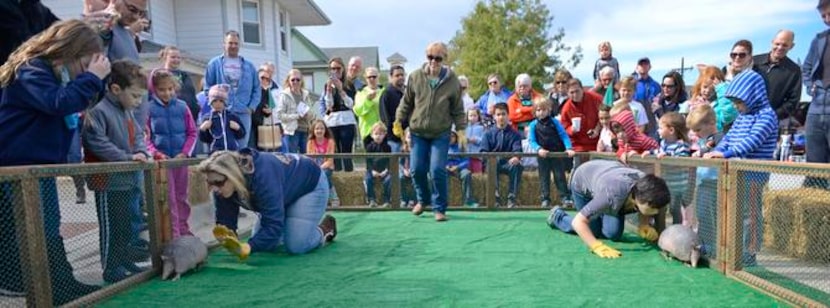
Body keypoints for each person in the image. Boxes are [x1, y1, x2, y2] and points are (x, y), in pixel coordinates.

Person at [0, 19, 107, 303]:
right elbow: (58, 103)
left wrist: (98, 78)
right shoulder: (31, 68)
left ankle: (61, 282)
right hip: (18, 165)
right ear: (71, 50)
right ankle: (20, 283)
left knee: (49, 226)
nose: (86, 71)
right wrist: (92, 77)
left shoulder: (55, 74)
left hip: (38, 164)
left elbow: (80, 99)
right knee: (29, 228)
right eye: (85, 63)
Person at [199, 149, 337, 260]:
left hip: (309, 185)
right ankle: (292, 222)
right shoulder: (224, 182)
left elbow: (273, 226)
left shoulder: (263, 177)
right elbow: (226, 219)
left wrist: (250, 246)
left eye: (218, 183)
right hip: (284, 190)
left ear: (233, 176)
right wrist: (230, 237)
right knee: (267, 243)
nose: (213, 189)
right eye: (209, 183)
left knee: (296, 246)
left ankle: (325, 229)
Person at [83, 60, 150, 283]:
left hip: (128, 181)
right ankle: (110, 267)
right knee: (111, 228)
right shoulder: (99, 111)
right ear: (115, 89)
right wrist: (128, 158)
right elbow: (97, 143)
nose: (138, 102)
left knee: (126, 226)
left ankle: (122, 260)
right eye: (135, 96)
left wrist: (140, 151)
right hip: (108, 183)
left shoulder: (127, 111)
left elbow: (138, 136)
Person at [703, 70, 778, 266]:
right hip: (735, 174)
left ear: (752, 95)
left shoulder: (767, 116)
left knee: (750, 215)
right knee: (733, 212)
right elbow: (728, 139)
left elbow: (753, 141)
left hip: (753, 175)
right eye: (735, 102)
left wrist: (726, 154)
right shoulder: (742, 117)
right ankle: (733, 249)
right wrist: (717, 151)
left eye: (739, 102)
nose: (737, 106)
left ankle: (748, 254)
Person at [393, 41, 466, 222]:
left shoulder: (453, 81)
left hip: (440, 133)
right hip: (418, 132)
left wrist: (461, 129)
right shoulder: (416, 77)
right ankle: (422, 200)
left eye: (438, 58)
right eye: (430, 57)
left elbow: (457, 109)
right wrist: (398, 120)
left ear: (444, 59)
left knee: (437, 170)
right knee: (417, 170)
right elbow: (406, 102)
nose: (433, 61)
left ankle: (439, 208)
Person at [547, 160, 670, 259]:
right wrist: (596, 246)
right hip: (583, 180)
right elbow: (578, 222)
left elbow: (643, 206)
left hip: (607, 174)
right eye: (654, 208)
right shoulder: (611, 195)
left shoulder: (645, 186)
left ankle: (597, 210)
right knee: (592, 232)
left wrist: (644, 224)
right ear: (639, 199)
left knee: (613, 234)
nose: (657, 212)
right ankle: (558, 216)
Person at [145, 69, 198, 238]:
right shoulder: (148, 109)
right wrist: (155, 153)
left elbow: (192, 133)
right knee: (169, 199)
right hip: (162, 164)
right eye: (162, 90)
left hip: (180, 162)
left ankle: (184, 230)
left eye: (170, 89)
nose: (167, 93)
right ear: (154, 89)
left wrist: (184, 153)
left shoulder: (183, 107)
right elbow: (145, 137)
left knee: (182, 197)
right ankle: (173, 234)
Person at [203, 30, 260, 147]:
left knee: (241, 147)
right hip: (221, 112)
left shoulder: (249, 66)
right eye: (230, 43)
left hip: (243, 112)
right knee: (221, 146)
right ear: (224, 44)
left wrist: (251, 107)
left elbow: (256, 89)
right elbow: (207, 88)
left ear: (239, 45)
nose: (233, 46)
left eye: (236, 43)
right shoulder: (214, 64)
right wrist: (215, 105)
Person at [687, 104, 724, 256]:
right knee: (702, 215)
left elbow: (714, 148)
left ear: (711, 124)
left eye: (698, 130)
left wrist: (701, 152)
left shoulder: (719, 137)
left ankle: (713, 248)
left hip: (715, 183)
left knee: (712, 216)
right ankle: (704, 245)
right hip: (704, 183)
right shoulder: (705, 139)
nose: (696, 134)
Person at [527, 97, 576, 209]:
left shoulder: (555, 122)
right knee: (544, 177)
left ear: (549, 110)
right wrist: (539, 149)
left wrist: (568, 148)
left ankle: (565, 197)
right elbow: (532, 140)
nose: (541, 112)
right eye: (538, 110)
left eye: (544, 109)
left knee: (559, 176)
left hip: (556, 154)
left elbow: (564, 135)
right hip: (542, 155)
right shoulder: (533, 125)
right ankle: (545, 198)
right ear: (535, 112)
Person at [649, 112, 691, 227]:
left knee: (674, 209)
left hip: (678, 186)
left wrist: (666, 155)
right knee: (661, 208)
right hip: (665, 184)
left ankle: (677, 229)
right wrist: (649, 152)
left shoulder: (681, 145)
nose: (658, 131)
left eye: (661, 128)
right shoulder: (662, 143)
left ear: (671, 130)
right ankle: (659, 229)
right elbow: (657, 152)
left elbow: (682, 158)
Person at [480, 103, 524, 208]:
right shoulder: (488, 133)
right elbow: (483, 151)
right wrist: (490, 159)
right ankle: (495, 199)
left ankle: (511, 199)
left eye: (503, 114)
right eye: (498, 114)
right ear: (494, 116)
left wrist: (516, 157)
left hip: (508, 162)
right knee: (491, 165)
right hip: (494, 162)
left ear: (508, 115)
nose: (501, 117)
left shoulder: (515, 134)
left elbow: (518, 150)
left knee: (517, 166)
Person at [321, 57, 357, 172]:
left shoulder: (349, 84)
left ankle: (348, 174)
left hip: (346, 120)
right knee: (334, 150)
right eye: (333, 69)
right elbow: (329, 105)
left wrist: (341, 90)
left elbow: (351, 104)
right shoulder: (328, 85)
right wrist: (328, 92)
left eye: (338, 68)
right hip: (332, 121)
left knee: (346, 151)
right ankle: (337, 176)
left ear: (343, 69)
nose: (336, 71)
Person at [278, 69, 317, 154]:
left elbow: (312, 114)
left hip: (305, 130)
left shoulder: (306, 94)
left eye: (298, 79)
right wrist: (296, 116)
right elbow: (280, 115)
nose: (295, 82)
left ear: (301, 80)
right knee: (292, 158)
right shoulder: (284, 95)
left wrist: (308, 115)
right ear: (288, 80)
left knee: (307, 158)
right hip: (291, 132)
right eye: (293, 79)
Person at [199, 84, 246, 153]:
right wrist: (202, 129)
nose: (218, 104)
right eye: (215, 101)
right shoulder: (207, 118)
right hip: (215, 153)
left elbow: (242, 134)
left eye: (221, 101)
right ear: (210, 102)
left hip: (232, 151)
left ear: (225, 102)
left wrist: (238, 128)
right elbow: (204, 139)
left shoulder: (231, 116)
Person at [307, 120, 339, 207]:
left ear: (325, 130)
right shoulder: (310, 142)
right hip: (314, 166)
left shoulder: (330, 142)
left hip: (327, 166)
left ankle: (334, 198)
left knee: (324, 175)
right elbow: (310, 158)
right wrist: (316, 168)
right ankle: (317, 199)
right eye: (317, 128)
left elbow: (330, 160)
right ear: (313, 130)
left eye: (322, 128)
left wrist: (320, 168)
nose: (319, 131)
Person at [363, 122, 392, 208]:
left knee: (389, 180)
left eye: (381, 134)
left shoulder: (388, 147)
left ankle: (387, 200)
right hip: (372, 170)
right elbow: (368, 161)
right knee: (368, 179)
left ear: (384, 135)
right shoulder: (369, 147)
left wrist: (386, 170)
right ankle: (371, 199)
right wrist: (372, 171)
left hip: (384, 170)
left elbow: (389, 160)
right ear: (372, 135)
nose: (378, 136)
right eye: (376, 134)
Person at [447, 130, 478, 208]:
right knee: (439, 175)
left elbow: (467, 161)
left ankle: (468, 201)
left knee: (467, 174)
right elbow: (438, 160)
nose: (450, 138)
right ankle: (443, 201)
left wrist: (458, 167)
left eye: (452, 136)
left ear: (456, 137)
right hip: (446, 168)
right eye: (448, 136)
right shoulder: (441, 147)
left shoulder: (461, 147)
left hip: (459, 168)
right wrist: (445, 166)